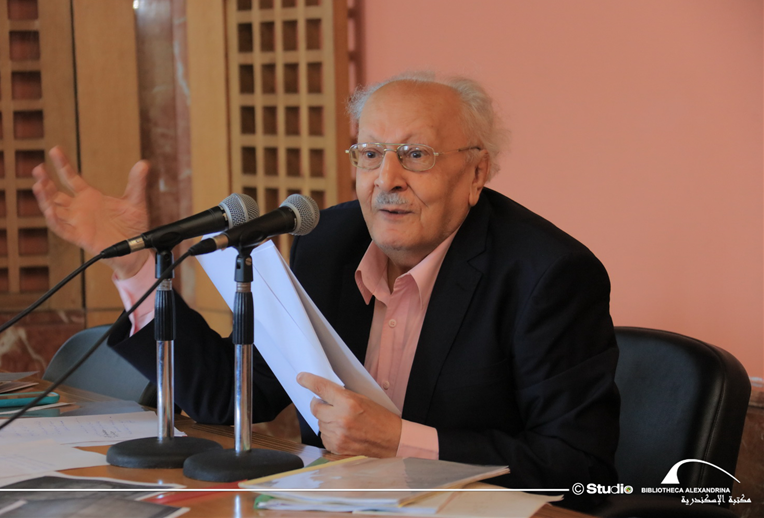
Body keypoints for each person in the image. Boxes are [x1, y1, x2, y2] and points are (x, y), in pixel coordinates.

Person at [33, 72, 620, 491]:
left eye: (415, 155)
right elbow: (228, 396)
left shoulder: (548, 275)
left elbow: (579, 467)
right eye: (370, 154)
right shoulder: (328, 242)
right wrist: (135, 265)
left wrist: (400, 441)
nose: (386, 179)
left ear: (476, 172)